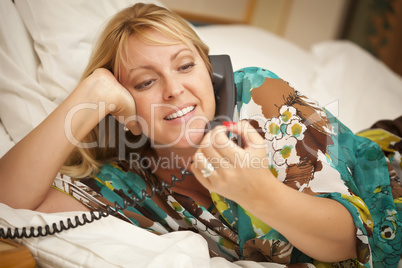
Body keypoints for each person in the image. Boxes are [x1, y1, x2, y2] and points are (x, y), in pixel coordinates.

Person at [0, 3, 401, 267]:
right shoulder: (129, 182)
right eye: (144, 83)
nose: (173, 90)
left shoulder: (260, 99)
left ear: (212, 73)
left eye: (185, 66)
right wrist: (91, 93)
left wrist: (255, 189)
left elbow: (351, 240)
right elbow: (9, 201)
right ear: (126, 110)